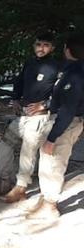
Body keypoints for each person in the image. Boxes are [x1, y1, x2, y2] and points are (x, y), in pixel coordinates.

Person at [0, 32, 63, 202]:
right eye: (38, 44)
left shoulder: (57, 67)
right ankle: (4, 181)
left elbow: (62, 92)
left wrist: (45, 105)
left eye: (46, 45)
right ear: (34, 46)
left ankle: (21, 188)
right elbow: (19, 82)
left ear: (52, 48)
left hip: (40, 117)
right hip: (23, 115)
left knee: (28, 151)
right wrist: (15, 99)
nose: (41, 48)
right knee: (5, 144)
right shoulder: (30, 62)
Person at [26, 32, 84, 220]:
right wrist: (46, 105)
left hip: (66, 123)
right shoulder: (72, 70)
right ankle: (46, 199)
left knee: (54, 163)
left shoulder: (75, 74)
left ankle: (50, 205)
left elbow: (68, 108)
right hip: (65, 121)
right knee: (48, 160)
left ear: (67, 50)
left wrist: (52, 137)